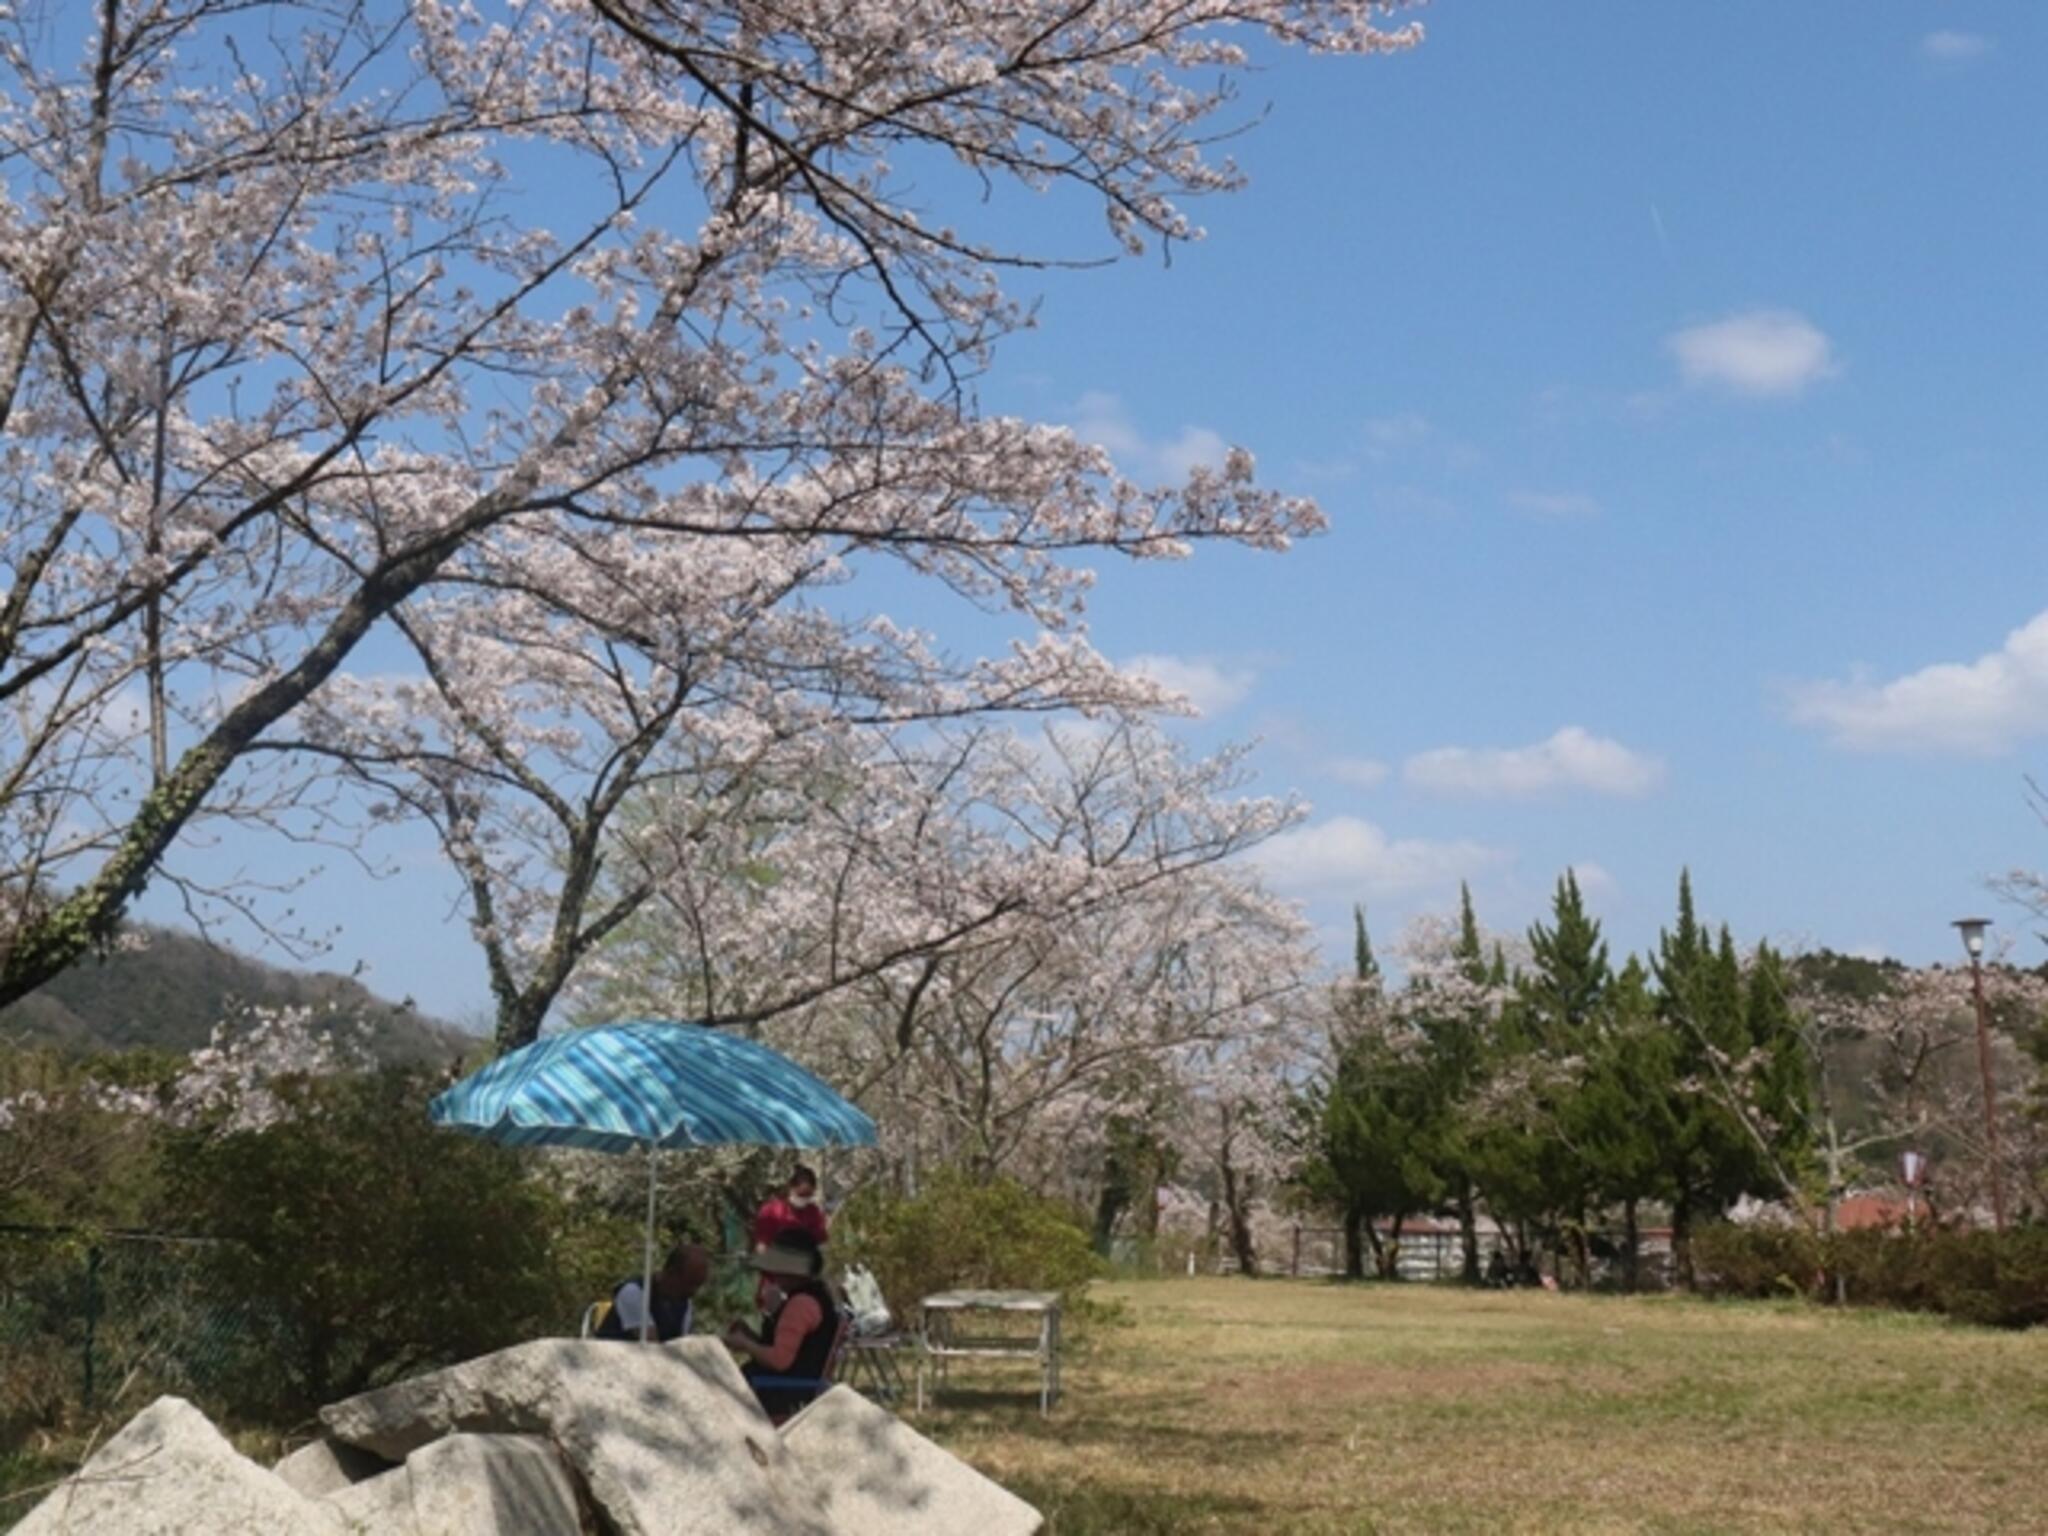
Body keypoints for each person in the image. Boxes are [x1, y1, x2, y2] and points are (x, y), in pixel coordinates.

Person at [723, 1231, 840, 1419]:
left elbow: (779, 1360)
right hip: (791, 1388)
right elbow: (787, 1349)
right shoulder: (815, 1297)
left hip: (782, 1395)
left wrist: (745, 1345)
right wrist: (750, 1336)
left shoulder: (800, 1304)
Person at [595, 1242, 709, 1343]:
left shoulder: (684, 1303)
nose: (694, 1291)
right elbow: (651, 1346)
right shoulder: (633, 1293)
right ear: (672, 1273)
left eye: (698, 1285)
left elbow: (683, 1344)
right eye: (690, 1283)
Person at [752, 1164, 829, 1251]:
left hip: (803, 1259)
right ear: (791, 1188)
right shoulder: (771, 1210)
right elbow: (762, 1243)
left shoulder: (813, 1212)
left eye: (808, 1194)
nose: (804, 1198)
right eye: (801, 1194)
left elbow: (821, 1240)